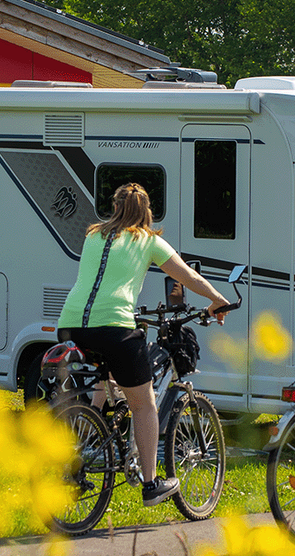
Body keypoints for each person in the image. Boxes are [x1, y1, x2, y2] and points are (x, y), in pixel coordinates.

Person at [57, 182, 231, 506]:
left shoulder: (94, 235)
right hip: (113, 328)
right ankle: (151, 484)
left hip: (69, 325)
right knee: (144, 404)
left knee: (106, 377)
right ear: (147, 211)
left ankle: (87, 436)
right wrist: (217, 299)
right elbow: (189, 277)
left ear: (115, 206)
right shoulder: (148, 240)